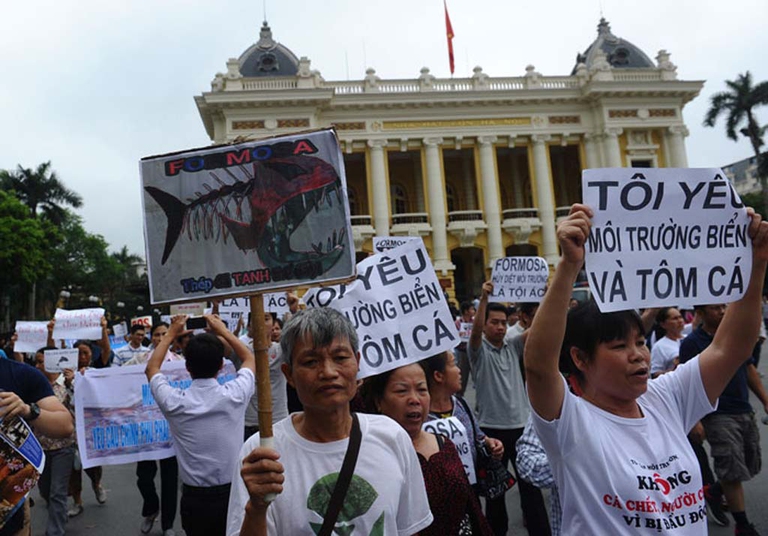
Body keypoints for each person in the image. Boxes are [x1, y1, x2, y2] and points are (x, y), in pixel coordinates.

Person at [523, 203, 768, 535]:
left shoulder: (666, 397)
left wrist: (757, 263)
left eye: (640, 342)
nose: (639, 355)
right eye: (620, 346)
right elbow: (538, 366)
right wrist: (569, 266)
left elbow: (731, 348)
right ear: (580, 359)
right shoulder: (570, 422)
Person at [227, 307, 433, 536]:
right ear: (289, 375)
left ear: (357, 363)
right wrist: (256, 507)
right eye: (311, 362)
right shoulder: (262, 454)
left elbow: (410, 529)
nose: (328, 372)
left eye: (340, 358)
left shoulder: (392, 436)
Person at [146, 314, 255, 536]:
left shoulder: (175, 402)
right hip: (233, 493)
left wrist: (171, 333)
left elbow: (152, 368)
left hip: (195, 499)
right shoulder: (235, 395)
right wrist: (222, 330)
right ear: (220, 366)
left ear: (186, 366)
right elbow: (249, 359)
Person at [364, 362, 492, 536]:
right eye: (402, 391)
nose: (415, 399)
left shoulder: (445, 445)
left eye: (422, 390)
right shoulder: (368, 458)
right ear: (379, 401)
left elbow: (471, 506)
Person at [469, 286, 550, 536]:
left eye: (504, 322)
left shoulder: (513, 346)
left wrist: (547, 297)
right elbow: (474, 334)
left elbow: (537, 326)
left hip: (521, 428)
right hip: (491, 432)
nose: (501, 327)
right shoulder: (477, 351)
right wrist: (484, 298)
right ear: (484, 325)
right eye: (494, 322)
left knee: (531, 489)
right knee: (495, 493)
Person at [680, 303, 768, 534]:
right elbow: (686, 381)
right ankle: (742, 524)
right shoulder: (691, 343)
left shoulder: (734, 337)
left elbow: (748, 369)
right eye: (715, 307)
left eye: (723, 307)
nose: (721, 311)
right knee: (732, 467)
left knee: (750, 464)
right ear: (700, 312)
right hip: (717, 413)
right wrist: (695, 420)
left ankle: (715, 490)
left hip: (743, 408)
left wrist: (765, 399)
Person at [0, 345, 74, 536]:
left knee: (55, 492)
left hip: (7, 506)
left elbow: (65, 425)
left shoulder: (21, 374)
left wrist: (27, 410)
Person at [125, 322, 180, 536]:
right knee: (144, 477)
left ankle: (168, 525)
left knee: (169, 479)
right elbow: (116, 377)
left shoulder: (180, 363)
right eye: (156, 334)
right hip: (145, 431)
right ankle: (151, 508)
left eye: (164, 334)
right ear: (152, 337)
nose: (159, 338)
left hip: (171, 431)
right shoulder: (139, 360)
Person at [420, 350, 504, 472]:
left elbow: (478, 437)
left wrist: (490, 442)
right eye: (454, 364)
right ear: (438, 376)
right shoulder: (420, 417)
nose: (459, 370)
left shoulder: (461, 404)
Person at [33, 347, 77, 536]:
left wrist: (73, 384)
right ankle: (59, 516)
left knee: (57, 491)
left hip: (63, 447)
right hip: (40, 449)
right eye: (36, 361)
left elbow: (79, 405)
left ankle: (55, 531)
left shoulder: (67, 385)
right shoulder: (33, 386)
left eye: (41, 361)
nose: (37, 365)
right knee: (45, 490)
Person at [239, 312, 288, 441]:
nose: (261, 322)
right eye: (257, 318)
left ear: (273, 324)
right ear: (249, 326)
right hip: (250, 422)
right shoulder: (243, 352)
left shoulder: (282, 350)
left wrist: (294, 310)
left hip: (278, 419)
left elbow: (300, 336)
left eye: (266, 319)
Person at [650, 307, 685, 377]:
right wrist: (674, 370)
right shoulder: (659, 346)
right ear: (663, 324)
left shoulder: (690, 339)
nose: (680, 321)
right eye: (675, 318)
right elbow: (654, 374)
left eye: (680, 317)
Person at [454, 301, 476, 396]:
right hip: (462, 352)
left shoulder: (475, 322)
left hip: (474, 351)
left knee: (478, 376)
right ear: (466, 311)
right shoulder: (458, 323)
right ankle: (459, 398)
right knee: (462, 377)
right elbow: (453, 337)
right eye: (471, 309)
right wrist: (458, 335)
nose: (473, 311)